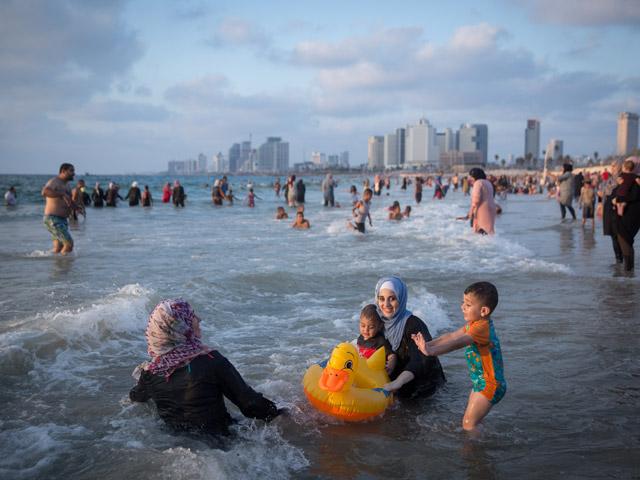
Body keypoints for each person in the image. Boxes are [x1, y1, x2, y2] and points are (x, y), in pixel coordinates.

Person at [130, 298, 282, 436]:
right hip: (223, 443)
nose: (199, 319)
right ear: (181, 326)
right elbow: (251, 405)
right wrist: (285, 414)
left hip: (175, 443)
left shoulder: (149, 373)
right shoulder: (211, 360)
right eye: (192, 316)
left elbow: (136, 397)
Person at [412, 282, 506, 431]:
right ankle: (481, 442)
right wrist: (427, 345)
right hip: (480, 381)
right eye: (463, 302)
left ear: (484, 310)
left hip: (491, 384)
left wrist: (431, 352)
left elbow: (456, 343)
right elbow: (451, 336)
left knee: (469, 424)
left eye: (468, 305)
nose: (462, 307)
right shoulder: (474, 324)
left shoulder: (481, 328)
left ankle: (475, 452)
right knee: (471, 422)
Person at [375, 276, 446, 398]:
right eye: (381, 299)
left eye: (392, 299)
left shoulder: (414, 325)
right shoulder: (377, 324)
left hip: (423, 388)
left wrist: (398, 382)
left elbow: (420, 360)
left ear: (401, 299)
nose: (386, 304)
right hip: (394, 385)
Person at [41, 163, 80, 253]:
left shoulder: (67, 185)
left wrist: (78, 208)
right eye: (71, 171)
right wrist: (61, 194)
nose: (74, 173)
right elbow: (44, 191)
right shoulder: (55, 181)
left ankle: (56, 265)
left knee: (59, 247)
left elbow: (69, 201)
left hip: (62, 220)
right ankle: (64, 266)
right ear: (63, 171)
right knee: (69, 244)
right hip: (53, 219)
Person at [614, 156, 640, 270]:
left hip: (631, 216)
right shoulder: (630, 179)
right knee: (626, 241)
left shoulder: (636, 180)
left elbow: (634, 196)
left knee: (625, 241)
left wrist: (618, 200)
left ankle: (628, 271)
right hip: (628, 215)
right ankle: (629, 271)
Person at [357, 304, 397, 375]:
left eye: (371, 327)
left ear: (379, 327)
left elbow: (392, 356)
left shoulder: (380, 341)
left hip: (375, 374)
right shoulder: (360, 338)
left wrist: (390, 367)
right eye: (363, 325)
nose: (366, 330)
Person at [597, 159, 623, 263]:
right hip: (608, 210)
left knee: (619, 236)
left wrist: (602, 194)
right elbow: (607, 192)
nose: (612, 168)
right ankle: (619, 261)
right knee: (613, 236)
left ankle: (622, 260)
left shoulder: (622, 179)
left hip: (616, 211)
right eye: (612, 166)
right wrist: (602, 194)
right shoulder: (611, 179)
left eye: (615, 166)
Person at [461, 168, 496, 235]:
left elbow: (476, 199)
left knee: (480, 230)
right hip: (491, 208)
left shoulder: (478, 183)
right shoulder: (488, 182)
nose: (470, 178)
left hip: (482, 209)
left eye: (471, 176)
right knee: (488, 231)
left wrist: (471, 212)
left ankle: (480, 245)